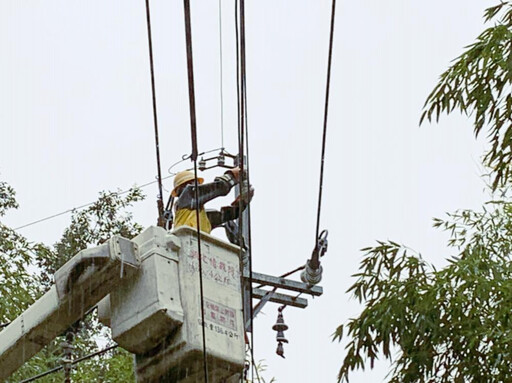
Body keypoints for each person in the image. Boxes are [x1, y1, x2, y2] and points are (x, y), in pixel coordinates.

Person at [171, 167, 253, 241]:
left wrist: (242, 202)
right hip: (188, 244)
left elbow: (226, 215)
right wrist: (232, 176)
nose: (197, 186)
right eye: (193, 183)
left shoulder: (202, 218)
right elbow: (220, 187)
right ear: (180, 190)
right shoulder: (186, 197)